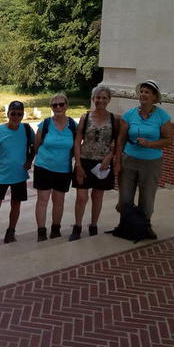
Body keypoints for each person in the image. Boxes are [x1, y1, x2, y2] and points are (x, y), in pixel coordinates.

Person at [115, 80, 172, 237]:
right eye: (142, 91)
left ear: (154, 97)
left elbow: (168, 140)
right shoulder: (129, 115)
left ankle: (144, 226)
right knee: (125, 197)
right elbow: (121, 140)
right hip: (129, 160)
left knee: (147, 198)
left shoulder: (163, 117)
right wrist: (117, 161)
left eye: (147, 92)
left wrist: (150, 143)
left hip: (151, 163)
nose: (143, 94)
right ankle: (124, 225)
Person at [0, 101, 35, 250]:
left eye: (19, 114)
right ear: (8, 114)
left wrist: (29, 161)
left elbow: (35, 146)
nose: (16, 117)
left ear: (22, 115)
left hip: (20, 175)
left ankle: (10, 233)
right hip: (1, 176)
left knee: (16, 205)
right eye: (13, 113)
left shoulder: (26, 129)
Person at [71, 86, 120, 240]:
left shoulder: (114, 119)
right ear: (93, 99)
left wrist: (110, 157)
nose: (101, 100)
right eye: (98, 97)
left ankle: (93, 225)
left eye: (104, 98)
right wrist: (78, 164)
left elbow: (117, 141)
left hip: (103, 163)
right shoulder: (85, 118)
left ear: (109, 100)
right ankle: (77, 226)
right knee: (81, 197)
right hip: (85, 161)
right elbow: (78, 141)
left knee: (97, 196)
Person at [33, 93, 76, 242]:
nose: (58, 107)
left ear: (67, 106)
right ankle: (41, 231)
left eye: (61, 104)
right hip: (43, 167)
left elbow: (76, 147)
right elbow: (37, 145)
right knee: (43, 200)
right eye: (54, 105)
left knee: (59, 201)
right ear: (51, 107)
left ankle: (55, 229)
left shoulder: (72, 125)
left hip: (63, 169)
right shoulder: (45, 124)